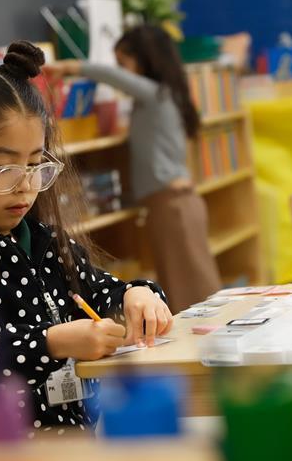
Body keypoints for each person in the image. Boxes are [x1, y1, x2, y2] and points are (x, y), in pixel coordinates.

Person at [0, 38, 173, 434]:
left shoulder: (42, 240)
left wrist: (136, 295)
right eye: (2, 168)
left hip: (73, 444)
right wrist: (52, 343)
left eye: (36, 164)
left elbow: (100, 290)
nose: (26, 184)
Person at [44, 25, 222, 311]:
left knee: (193, 290)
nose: (120, 69)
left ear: (143, 58)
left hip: (173, 204)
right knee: (185, 285)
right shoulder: (161, 97)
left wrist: (69, 67)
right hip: (172, 203)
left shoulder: (156, 94)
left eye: (123, 61)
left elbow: (115, 77)